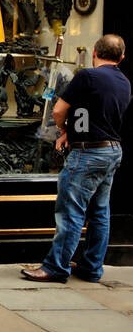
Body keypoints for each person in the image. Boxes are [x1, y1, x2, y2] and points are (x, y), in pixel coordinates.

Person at [23, 34, 129, 284]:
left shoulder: (88, 76)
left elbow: (59, 109)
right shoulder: (124, 81)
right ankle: (92, 268)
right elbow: (92, 114)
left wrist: (63, 130)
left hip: (88, 153)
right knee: (100, 212)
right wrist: (75, 129)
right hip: (112, 151)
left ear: (94, 52)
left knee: (71, 211)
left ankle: (56, 267)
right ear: (122, 58)